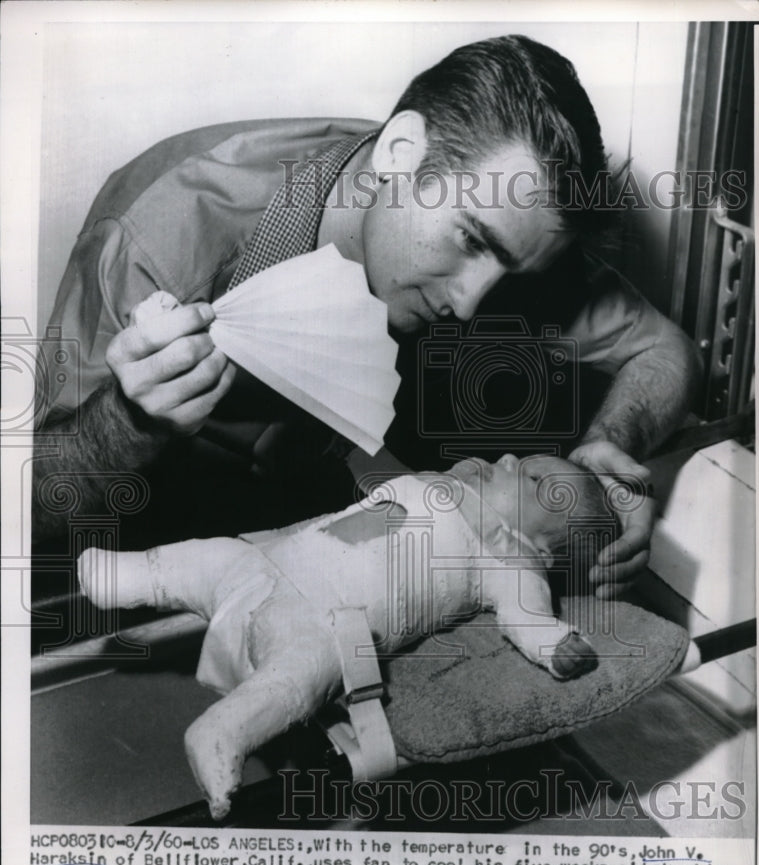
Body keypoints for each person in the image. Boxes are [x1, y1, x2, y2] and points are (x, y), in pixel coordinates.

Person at [33, 34, 701, 598]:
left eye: (509, 275)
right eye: (469, 240)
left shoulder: (508, 222)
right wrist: (127, 420)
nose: (468, 307)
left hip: (365, 560)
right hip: (155, 571)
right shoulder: (161, 237)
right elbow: (30, 510)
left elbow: (664, 351)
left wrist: (609, 446)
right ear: (399, 152)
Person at [77, 451, 617, 819]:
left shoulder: (507, 562)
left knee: (305, 670)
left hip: (319, 619)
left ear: (542, 549)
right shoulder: (442, 486)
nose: (507, 462)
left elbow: (527, 616)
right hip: (268, 558)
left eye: (535, 482)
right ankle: (132, 575)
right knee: (214, 555)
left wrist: (553, 643)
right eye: (520, 461)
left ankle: (224, 732)